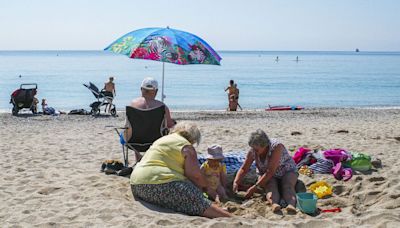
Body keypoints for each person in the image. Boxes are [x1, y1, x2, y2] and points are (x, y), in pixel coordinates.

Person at [130, 121, 232, 218]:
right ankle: (229, 216)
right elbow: (194, 175)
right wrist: (208, 189)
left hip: (137, 185)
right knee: (198, 201)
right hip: (161, 183)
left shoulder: (162, 139)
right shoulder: (186, 146)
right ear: (194, 138)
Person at [232, 129, 298, 214]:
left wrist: (254, 188)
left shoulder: (277, 147)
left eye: (257, 149)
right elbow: (244, 168)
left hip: (286, 170)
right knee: (270, 186)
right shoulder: (253, 150)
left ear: (265, 146)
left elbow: (270, 171)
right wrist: (236, 182)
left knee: (287, 184)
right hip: (267, 173)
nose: (254, 151)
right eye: (253, 148)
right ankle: (274, 204)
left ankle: (291, 204)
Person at [124, 77, 175, 153]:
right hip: (156, 142)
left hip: (133, 142)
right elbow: (170, 125)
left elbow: (127, 125)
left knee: (133, 131)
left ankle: (138, 160)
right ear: (156, 91)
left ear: (141, 89)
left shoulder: (132, 104)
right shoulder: (162, 107)